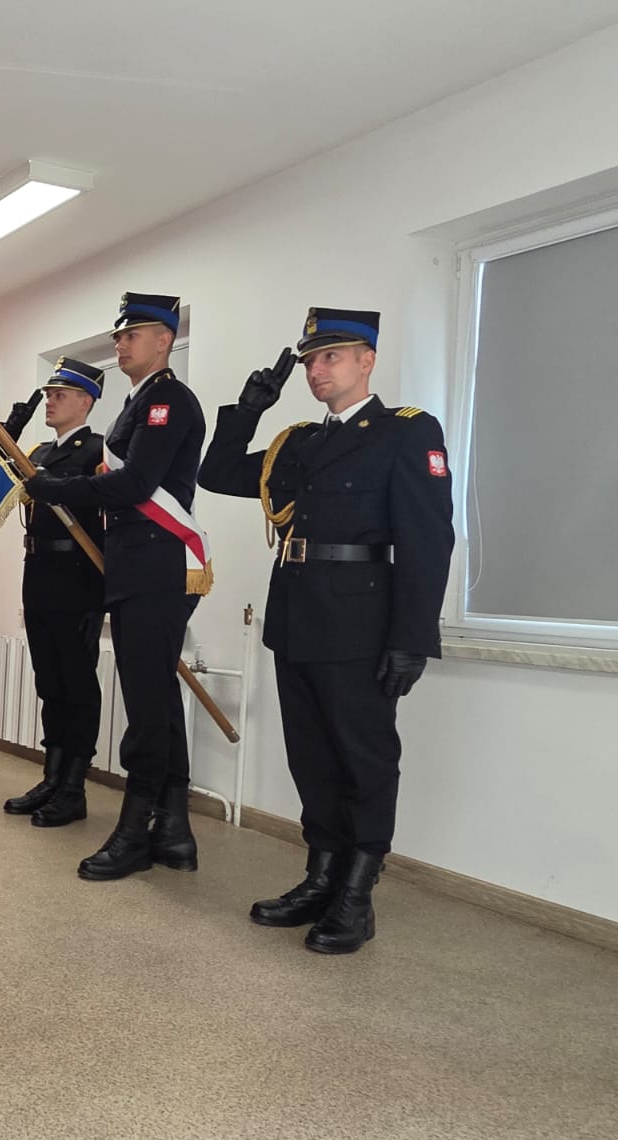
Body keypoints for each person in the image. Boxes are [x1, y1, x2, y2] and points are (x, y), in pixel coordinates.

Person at [198, 307, 453, 954]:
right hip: (297, 618)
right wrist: (247, 411)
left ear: (367, 361)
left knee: (364, 760)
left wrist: (411, 638)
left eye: (331, 356)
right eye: (310, 359)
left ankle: (357, 896)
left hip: (361, 624)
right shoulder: (299, 443)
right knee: (311, 758)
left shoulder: (405, 431)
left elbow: (428, 541)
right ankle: (321, 877)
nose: (316, 369)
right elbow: (217, 475)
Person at [25, 293, 208, 880]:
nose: (121, 343)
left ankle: (135, 830)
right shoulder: (138, 403)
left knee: (148, 706)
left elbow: (135, 486)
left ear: (165, 340)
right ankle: (173, 830)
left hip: (158, 565)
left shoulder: (167, 401)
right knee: (156, 701)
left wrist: (55, 489)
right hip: (135, 568)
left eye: (133, 334)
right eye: (119, 335)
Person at [0, 359, 107, 827]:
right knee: (49, 681)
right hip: (39, 572)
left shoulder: (99, 450)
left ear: (85, 401)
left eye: (60, 395)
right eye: (48, 394)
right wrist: (8, 432)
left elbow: (104, 500)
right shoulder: (39, 452)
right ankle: (52, 776)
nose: (50, 401)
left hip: (78, 578)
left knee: (77, 682)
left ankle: (74, 787)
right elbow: (0, 477)